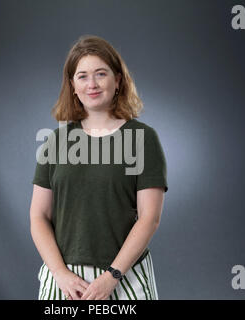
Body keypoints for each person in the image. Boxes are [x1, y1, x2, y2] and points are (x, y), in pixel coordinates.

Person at [30, 35, 168, 300]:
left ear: (118, 80)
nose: (91, 84)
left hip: (124, 276)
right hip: (64, 279)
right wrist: (60, 273)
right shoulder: (56, 141)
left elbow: (149, 217)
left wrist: (111, 277)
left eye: (100, 74)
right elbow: (38, 216)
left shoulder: (143, 139)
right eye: (82, 76)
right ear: (72, 85)